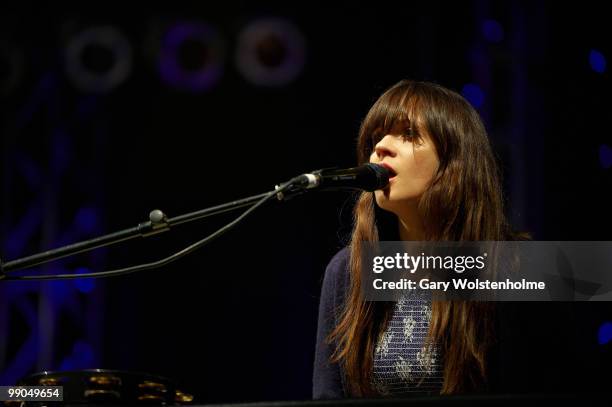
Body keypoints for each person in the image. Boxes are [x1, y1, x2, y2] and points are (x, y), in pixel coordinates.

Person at [313, 80, 580, 399]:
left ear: (453, 163)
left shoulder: (522, 267)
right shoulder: (347, 271)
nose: (381, 146)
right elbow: (328, 398)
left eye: (408, 134)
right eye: (375, 137)